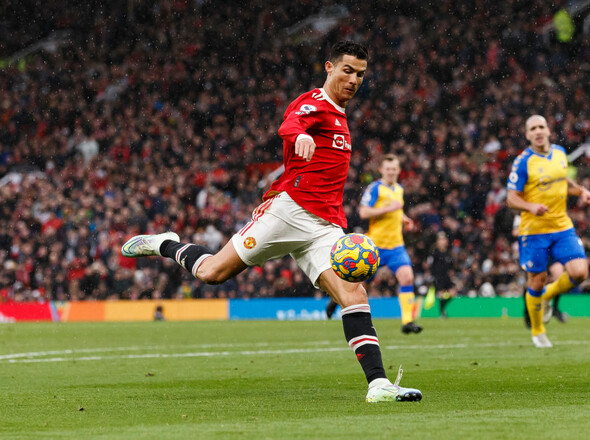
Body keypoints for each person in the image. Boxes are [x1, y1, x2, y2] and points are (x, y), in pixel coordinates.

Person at [121, 41, 421, 402]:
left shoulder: (341, 116)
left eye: (360, 74)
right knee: (212, 273)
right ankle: (164, 243)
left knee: (353, 294)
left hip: (325, 226)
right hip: (288, 213)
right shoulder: (315, 103)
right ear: (329, 67)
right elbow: (290, 123)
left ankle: (378, 385)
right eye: (347, 70)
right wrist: (301, 136)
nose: (354, 79)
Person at [506, 114, 590, 348]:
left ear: (548, 130)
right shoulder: (523, 162)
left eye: (541, 127)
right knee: (536, 281)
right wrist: (530, 206)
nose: (538, 131)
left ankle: (547, 296)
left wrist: (582, 191)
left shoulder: (559, 153)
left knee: (580, 272)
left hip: (562, 226)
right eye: (533, 128)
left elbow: (562, 181)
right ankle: (538, 331)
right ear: (527, 135)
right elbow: (511, 198)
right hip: (534, 230)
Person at [326, 154, 423, 334]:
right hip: (374, 246)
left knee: (407, 278)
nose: (391, 172)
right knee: (361, 286)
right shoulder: (375, 188)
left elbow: (396, 210)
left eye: (394, 169)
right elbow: (364, 212)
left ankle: (407, 321)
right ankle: (336, 300)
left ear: (398, 170)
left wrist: (404, 218)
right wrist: (389, 208)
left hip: (396, 246)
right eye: (388, 169)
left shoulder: (399, 189)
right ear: (381, 170)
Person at [514, 214, 567, 328]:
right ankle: (528, 312)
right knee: (531, 282)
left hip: (550, 247)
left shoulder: (551, 210)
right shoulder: (525, 213)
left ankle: (555, 308)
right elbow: (515, 232)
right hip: (533, 247)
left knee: (559, 276)